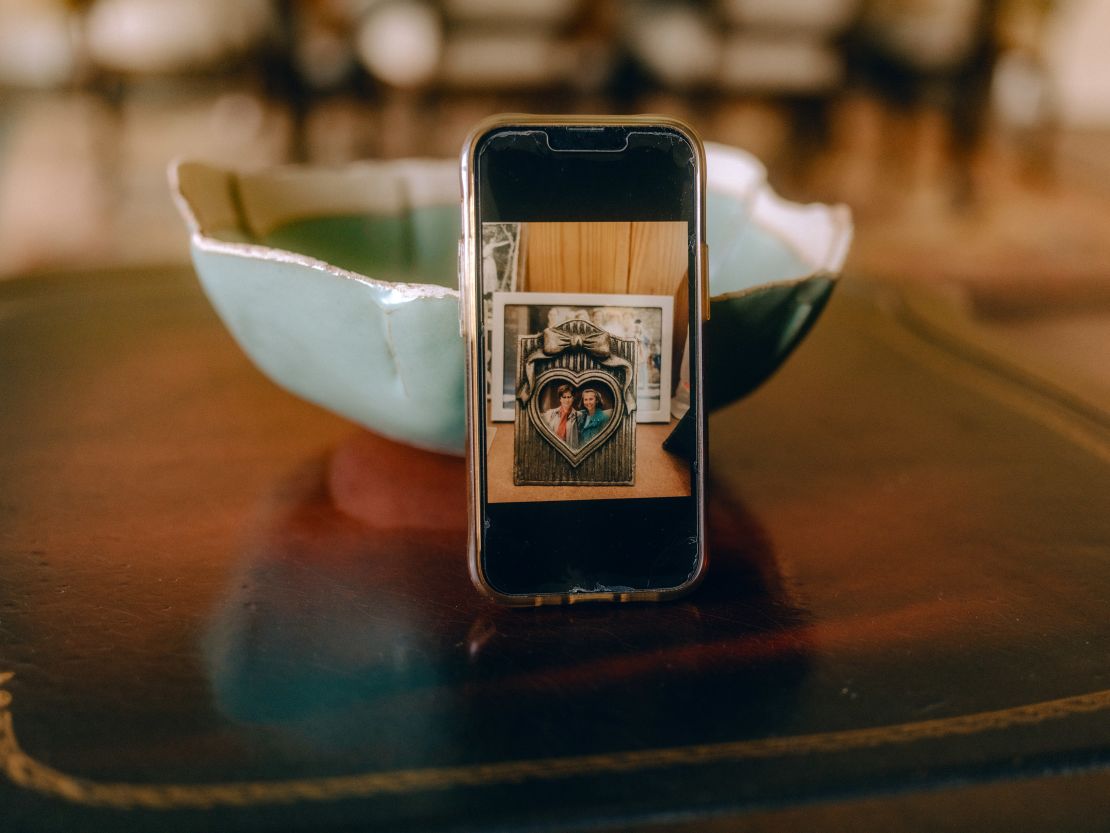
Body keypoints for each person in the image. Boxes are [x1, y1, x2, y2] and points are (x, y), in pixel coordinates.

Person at [541, 384, 579, 448]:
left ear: (573, 398)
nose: (567, 400)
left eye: (569, 397)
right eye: (564, 397)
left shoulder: (579, 416)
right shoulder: (550, 414)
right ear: (560, 399)